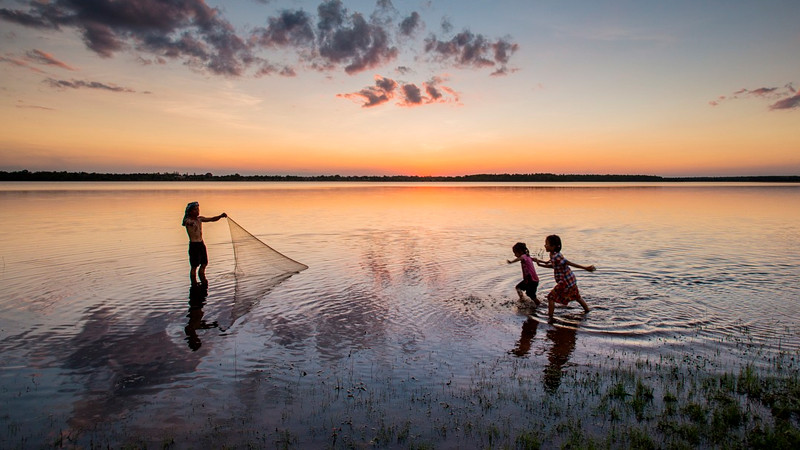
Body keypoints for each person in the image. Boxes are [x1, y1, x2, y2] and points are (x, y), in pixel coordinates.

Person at [534, 234, 595, 319]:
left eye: (546, 244)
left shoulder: (557, 256)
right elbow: (553, 265)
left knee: (551, 297)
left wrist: (585, 268)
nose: (545, 246)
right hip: (570, 280)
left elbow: (568, 263)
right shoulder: (553, 254)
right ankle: (587, 311)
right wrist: (540, 264)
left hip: (565, 281)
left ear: (553, 246)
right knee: (576, 296)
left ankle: (550, 318)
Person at [182, 201, 226, 285]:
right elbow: (185, 222)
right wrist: (191, 223)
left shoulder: (199, 219)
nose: (197, 211)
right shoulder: (188, 220)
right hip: (194, 245)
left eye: (198, 209)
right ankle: (194, 284)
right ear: (190, 212)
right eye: (195, 209)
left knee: (204, 263)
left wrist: (220, 216)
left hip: (201, 244)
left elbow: (211, 219)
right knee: (194, 266)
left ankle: (202, 279)